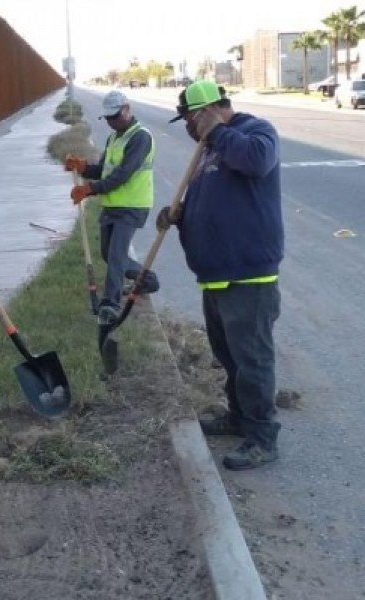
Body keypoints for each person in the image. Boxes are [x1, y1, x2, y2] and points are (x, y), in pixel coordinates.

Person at [159, 80, 284, 470]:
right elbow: (206, 202)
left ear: (206, 112)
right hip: (215, 276)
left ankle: (262, 437)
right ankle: (237, 417)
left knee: (252, 361)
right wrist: (177, 217)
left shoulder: (254, 132)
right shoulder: (208, 150)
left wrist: (217, 131)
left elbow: (257, 161)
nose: (186, 128)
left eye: (188, 119)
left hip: (247, 276)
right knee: (228, 358)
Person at [64, 90, 160, 323]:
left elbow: (122, 174)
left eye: (115, 116)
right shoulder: (114, 137)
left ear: (127, 110)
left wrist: (90, 189)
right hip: (113, 205)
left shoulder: (141, 138)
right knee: (108, 253)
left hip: (132, 206)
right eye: (107, 118)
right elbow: (105, 169)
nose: (111, 122)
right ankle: (147, 280)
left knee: (117, 255)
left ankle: (110, 304)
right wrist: (84, 167)